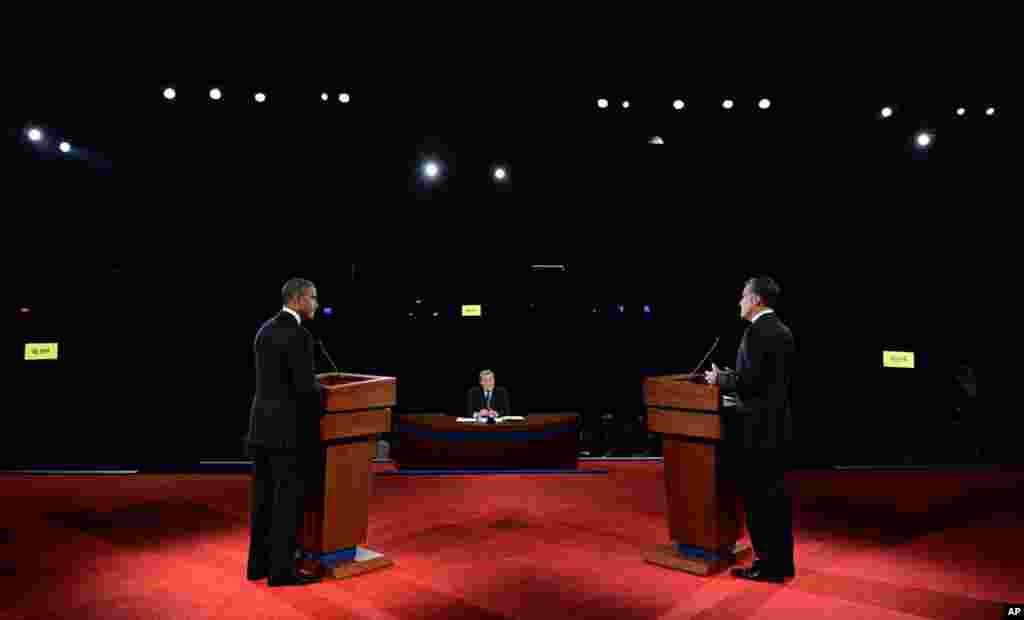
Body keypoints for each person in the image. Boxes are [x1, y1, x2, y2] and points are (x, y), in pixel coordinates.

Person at [705, 276, 796, 583]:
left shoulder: (756, 332)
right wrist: (735, 378)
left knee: (759, 501)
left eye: (743, 295)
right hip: (778, 427)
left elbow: (749, 382)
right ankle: (782, 564)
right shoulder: (783, 330)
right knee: (776, 501)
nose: (739, 301)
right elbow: (768, 382)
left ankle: (766, 566)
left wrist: (721, 380)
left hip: (756, 430)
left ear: (756, 299)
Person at [244, 278, 323, 587]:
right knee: (286, 502)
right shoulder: (299, 335)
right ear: (299, 299)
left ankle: (257, 565)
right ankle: (281, 571)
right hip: (287, 433)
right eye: (314, 298)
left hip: (261, 429)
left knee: (262, 500)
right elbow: (304, 389)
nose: (316, 304)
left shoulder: (263, 330)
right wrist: (323, 394)